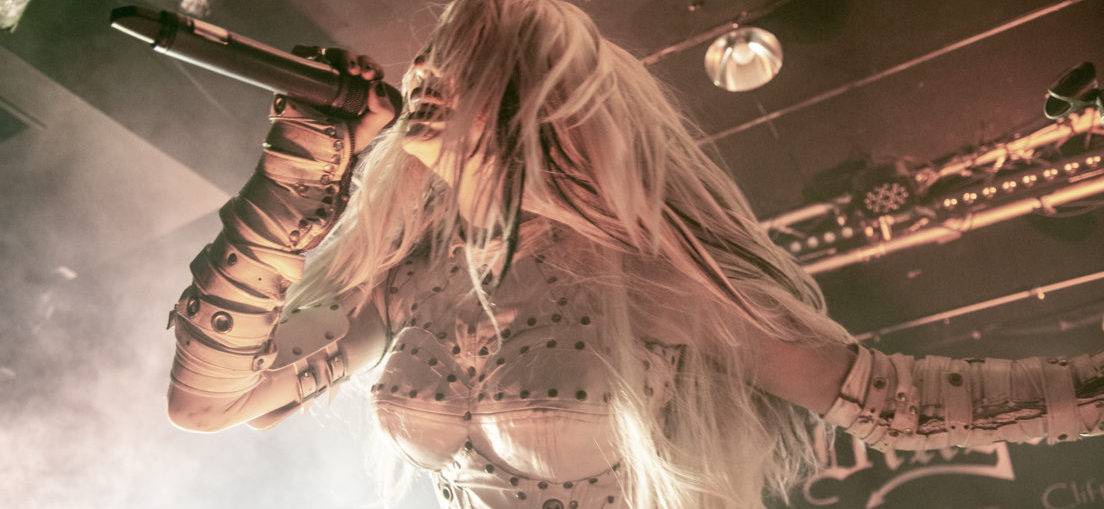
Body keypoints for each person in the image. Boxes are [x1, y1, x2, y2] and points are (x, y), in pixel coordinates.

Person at [165, 0, 1104, 507]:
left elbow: (893, 401)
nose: (425, 77)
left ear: (527, 97)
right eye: (428, 60)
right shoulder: (412, 278)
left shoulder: (646, 275)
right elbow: (208, 403)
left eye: (460, 62)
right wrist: (290, 180)